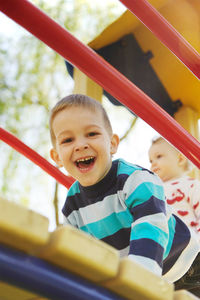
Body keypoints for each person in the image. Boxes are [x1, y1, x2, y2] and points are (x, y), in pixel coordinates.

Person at [49, 94, 200, 295]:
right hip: (153, 277)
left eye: (92, 134)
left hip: (186, 263)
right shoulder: (72, 206)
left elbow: (151, 226)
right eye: (68, 139)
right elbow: (78, 252)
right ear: (57, 156)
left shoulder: (135, 180)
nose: (80, 145)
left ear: (112, 143)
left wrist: (136, 280)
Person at [148, 136, 200, 240]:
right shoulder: (154, 189)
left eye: (159, 156)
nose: (153, 163)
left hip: (191, 246)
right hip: (163, 246)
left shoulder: (191, 185)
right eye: (150, 161)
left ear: (180, 159)